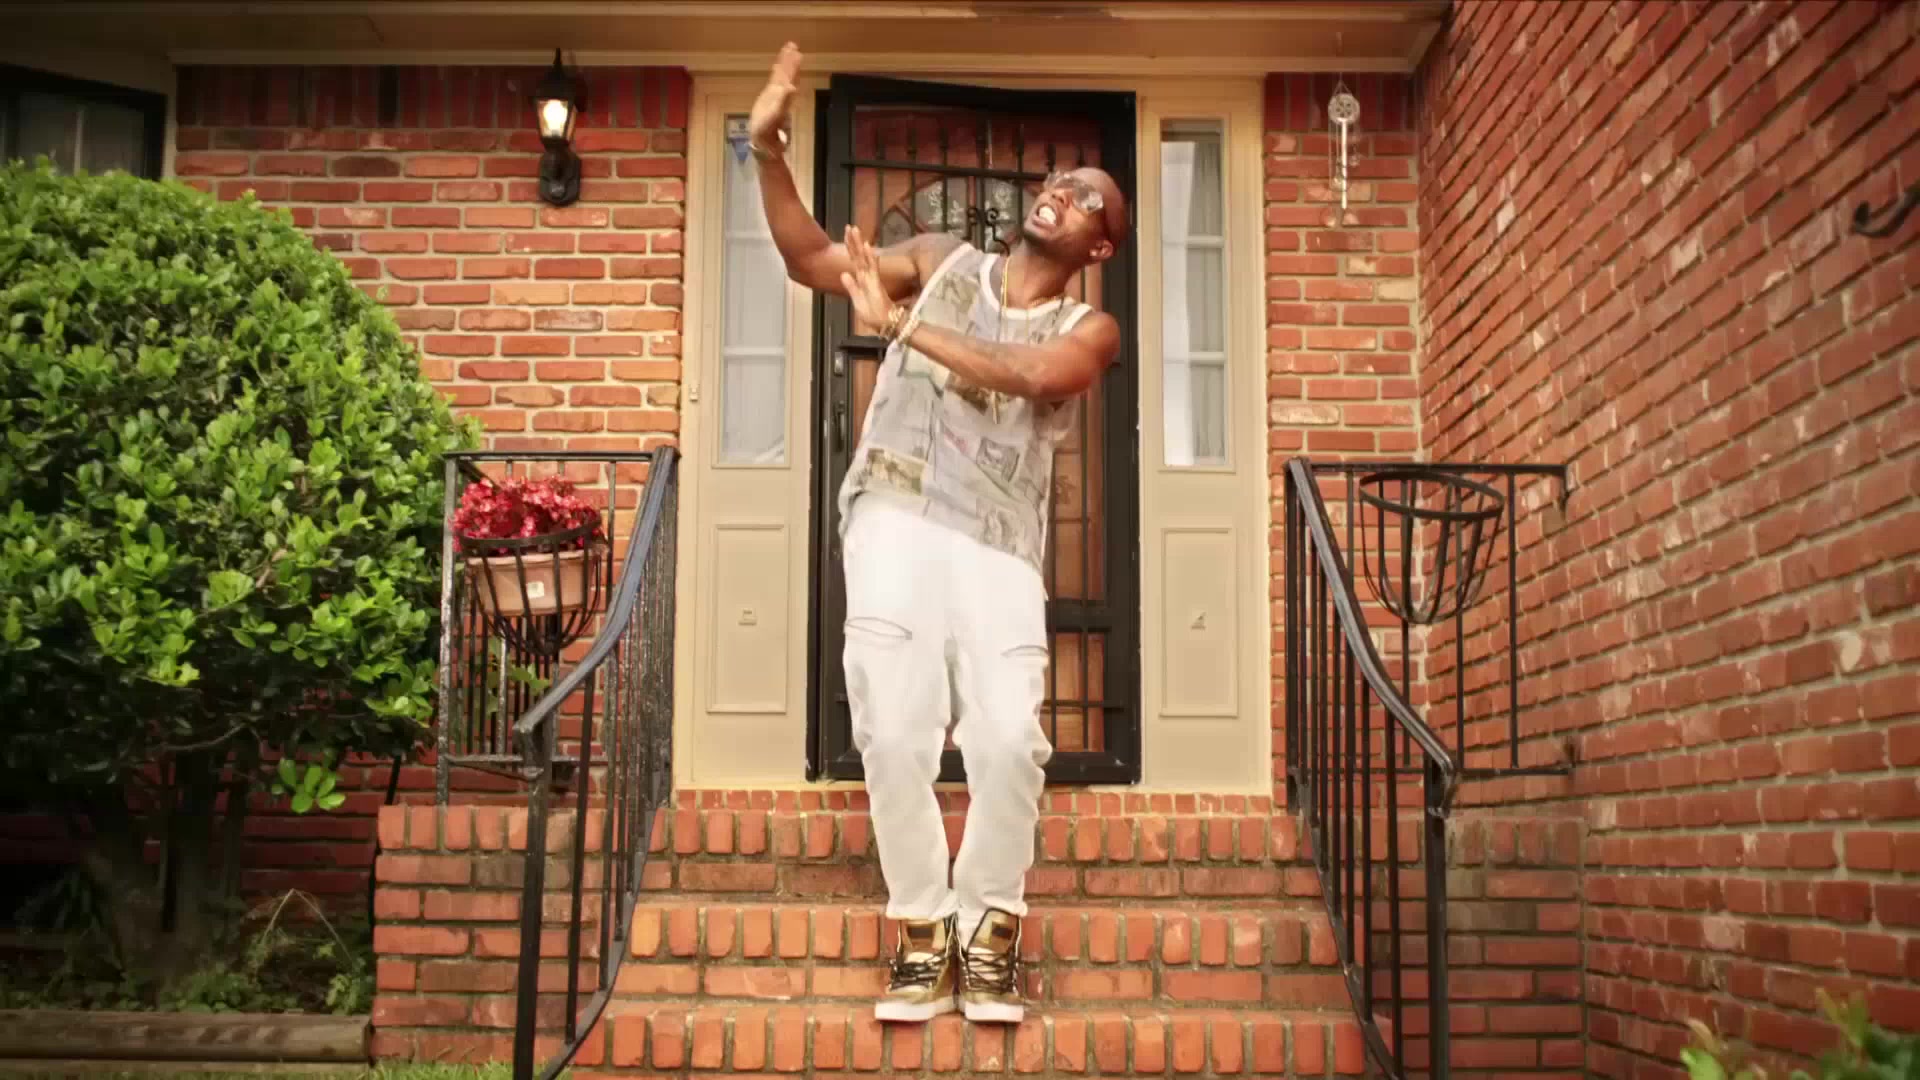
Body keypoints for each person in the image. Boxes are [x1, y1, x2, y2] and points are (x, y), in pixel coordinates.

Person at [746, 43, 1127, 1024]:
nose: (1064, 191)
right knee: (892, 725)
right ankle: (923, 929)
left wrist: (902, 328)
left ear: (1101, 247)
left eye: (1089, 196)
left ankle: (989, 929)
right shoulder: (940, 260)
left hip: (999, 546)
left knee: (1007, 741)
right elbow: (810, 259)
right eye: (1060, 180)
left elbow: (1032, 376)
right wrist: (768, 153)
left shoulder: (1087, 329)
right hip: (895, 512)